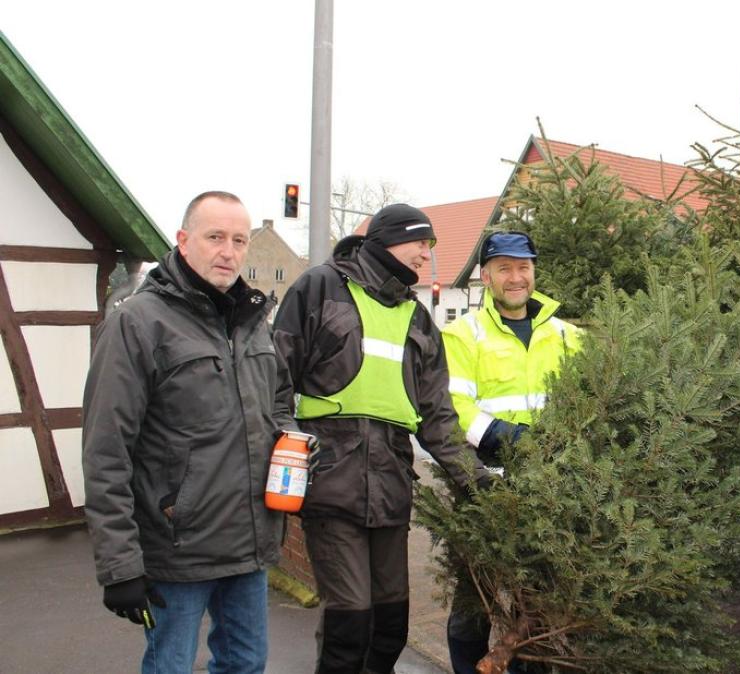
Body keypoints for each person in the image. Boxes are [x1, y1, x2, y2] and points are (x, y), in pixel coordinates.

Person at [272, 203, 493, 674]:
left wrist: (478, 482)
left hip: (391, 488)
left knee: (390, 627)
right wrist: (284, 446)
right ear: (390, 238)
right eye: (421, 242)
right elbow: (273, 380)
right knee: (349, 625)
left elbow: (438, 418)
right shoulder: (321, 288)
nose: (426, 254)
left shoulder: (417, 319)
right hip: (330, 483)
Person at [83, 191, 296, 673]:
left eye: (239, 240)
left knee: (246, 663)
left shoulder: (252, 321)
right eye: (215, 237)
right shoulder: (138, 323)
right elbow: (105, 449)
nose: (229, 251)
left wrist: (290, 441)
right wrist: (120, 567)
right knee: (170, 666)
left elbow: (279, 400)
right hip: (175, 548)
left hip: (249, 545)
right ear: (183, 240)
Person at [440, 231, 582, 674]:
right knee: (473, 598)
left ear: (534, 272)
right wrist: (510, 439)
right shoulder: (463, 334)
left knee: (535, 601)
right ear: (486, 277)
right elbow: (453, 407)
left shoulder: (567, 335)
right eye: (504, 268)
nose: (516, 277)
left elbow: (590, 399)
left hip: (550, 485)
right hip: (483, 482)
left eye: (523, 267)